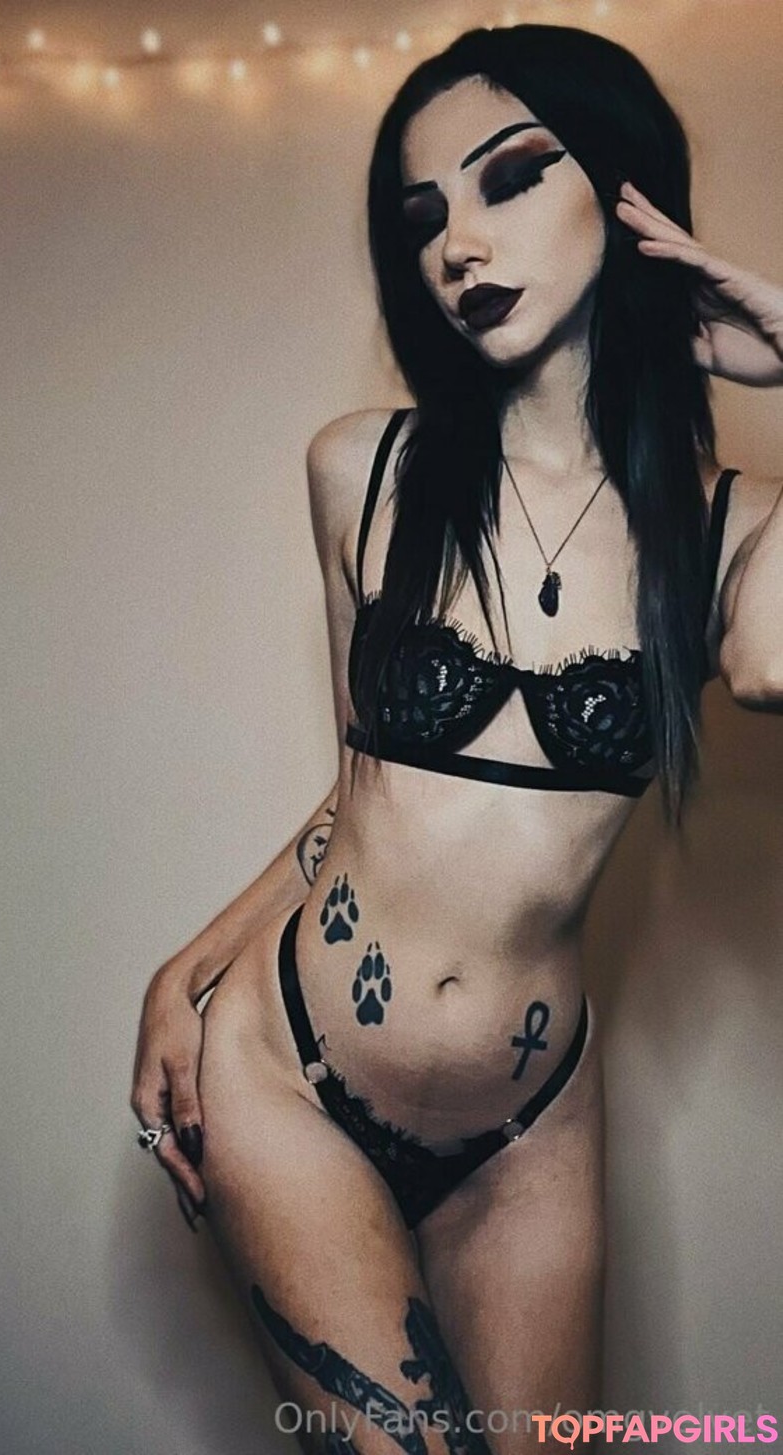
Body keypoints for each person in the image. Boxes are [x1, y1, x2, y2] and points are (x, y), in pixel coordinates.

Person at [130, 25, 783, 1455]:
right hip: (290, 1075)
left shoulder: (732, 533)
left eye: (512, 176)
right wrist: (194, 963)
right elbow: (366, 794)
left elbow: (775, 669)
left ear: (626, 189)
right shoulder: (363, 472)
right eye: (422, 215)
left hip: (530, 1128)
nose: (458, 245)